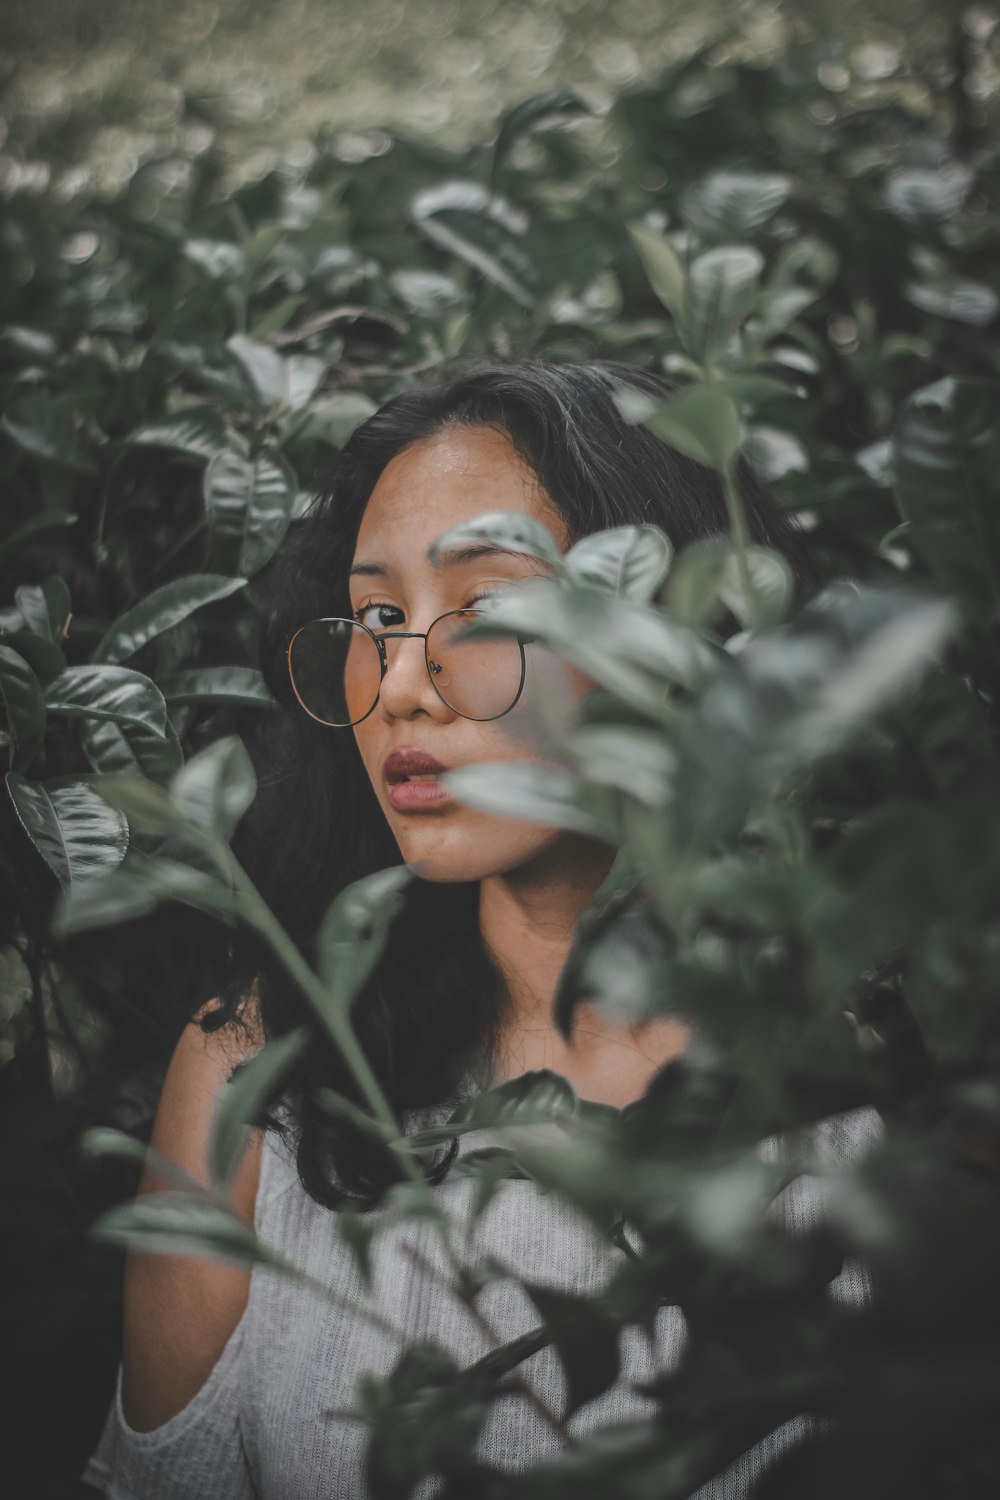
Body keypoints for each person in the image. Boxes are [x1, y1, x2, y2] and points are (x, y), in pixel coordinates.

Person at [82, 361, 874, 1499]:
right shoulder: (261, 1073)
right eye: (377, 617)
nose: (403, 679)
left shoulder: (890, 1105)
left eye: (486, 609)